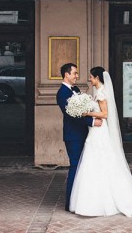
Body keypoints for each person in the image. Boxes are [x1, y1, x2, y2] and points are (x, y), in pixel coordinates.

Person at [69, 66, 132, 217]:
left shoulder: (101, 92)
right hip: (95, 131)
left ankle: (99, 202)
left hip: (99, 132)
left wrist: (87, 112)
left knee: (98, 161)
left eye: (91, 77)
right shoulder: (99, 91)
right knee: (95, 161)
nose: (89, 79)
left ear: (97, 78)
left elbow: (105, 114)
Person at [57, 63, 103, 213]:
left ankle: (82, 200)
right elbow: (72, 115)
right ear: (66, 74)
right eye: (74, 73)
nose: (77, 76)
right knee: (75, 166)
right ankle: (70, 202)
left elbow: (83, 110)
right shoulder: (62, 93)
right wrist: (91, 121)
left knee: (84, 168)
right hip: (73, 136)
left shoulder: (76, 90)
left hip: (85, 134)